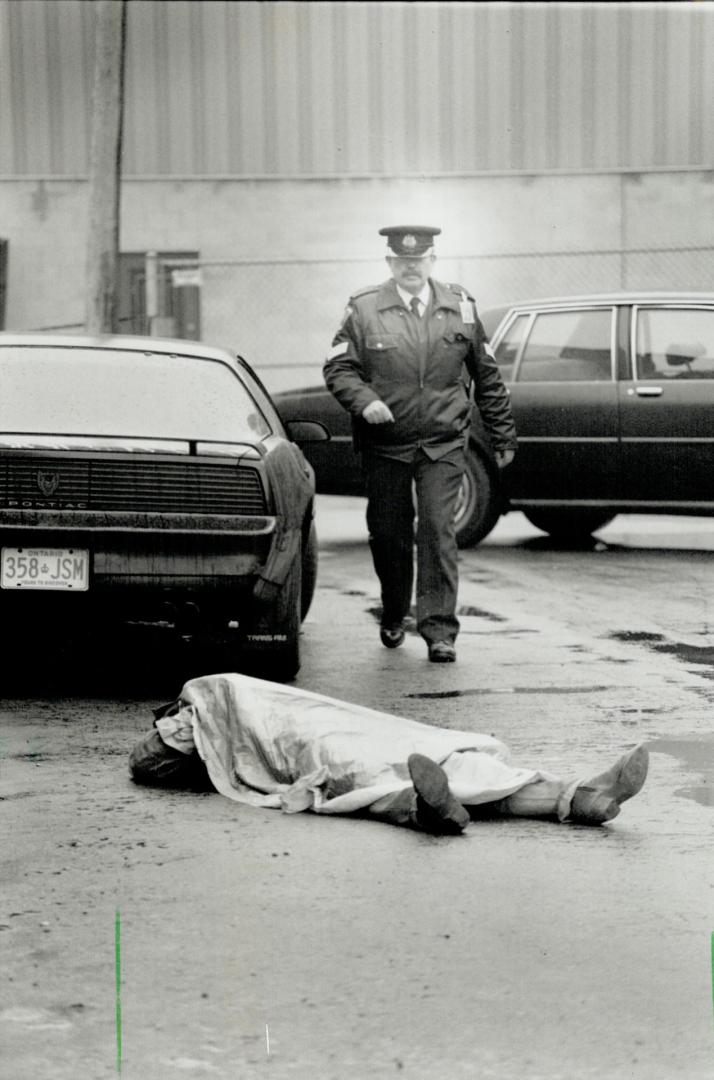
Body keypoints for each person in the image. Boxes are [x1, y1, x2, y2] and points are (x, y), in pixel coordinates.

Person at [323, 225, 517, 664]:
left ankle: (439, 630)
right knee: (390, 535)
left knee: (436, 529)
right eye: (402, 262)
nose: (411, 268)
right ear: (391, 264)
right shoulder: (364, 308)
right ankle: (394, 611)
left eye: (419, 260)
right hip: (386, 445)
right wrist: (365, 401)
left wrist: (503, 433)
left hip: (443, 443)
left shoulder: (461, 308)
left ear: (432, 261)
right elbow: (338, 370)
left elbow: (487, 377)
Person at [129, 673, 650, 834]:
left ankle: (584, 795)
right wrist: (186, 720)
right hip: (306, 744)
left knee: (450, 756)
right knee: (358, 776)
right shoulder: (203, 715)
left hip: (337, 725)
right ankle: (430, 809)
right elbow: (147, 760)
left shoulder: (214, 691)